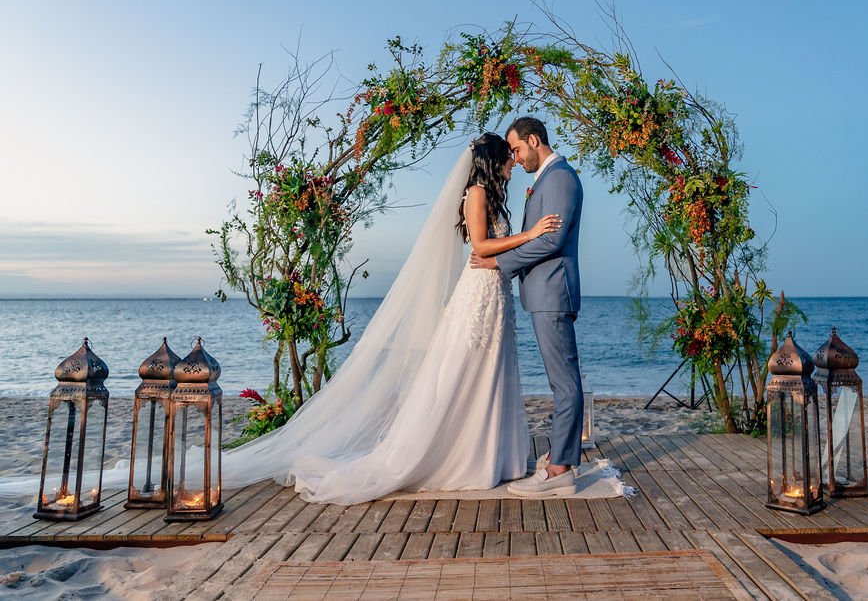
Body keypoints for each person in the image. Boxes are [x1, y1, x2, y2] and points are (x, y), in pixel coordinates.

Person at [0, 134, 562, 505]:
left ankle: (495, 451)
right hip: (479, 288)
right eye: (509, 157)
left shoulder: (488, 191)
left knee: (488, 374)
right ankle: (464, 454)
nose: (514, 163)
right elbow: (479, 250)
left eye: (517, 155)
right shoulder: (475, 195)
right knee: (467, 374)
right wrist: (533, 236)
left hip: (491, 294)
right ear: (493, 160)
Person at [470, 117, 584, 498]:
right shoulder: (546, 181)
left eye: (517, 149)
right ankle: (562, 455)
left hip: (552, 292)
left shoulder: (560, 178)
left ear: (534, 140)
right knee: (561, 380)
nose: (515, 159)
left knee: (563, 382)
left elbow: (551, 242)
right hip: (544, 293)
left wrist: (500, 264)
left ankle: (559, 470)